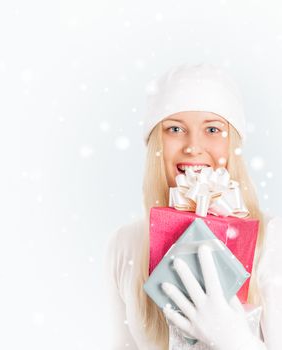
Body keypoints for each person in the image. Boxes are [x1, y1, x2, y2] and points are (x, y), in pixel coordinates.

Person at [104, 63, 282, 349]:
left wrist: (234, 341)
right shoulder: (125, 244)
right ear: (155, 143)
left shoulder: (275, 240)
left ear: (233, 144)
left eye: (213, 129)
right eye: (175, 129)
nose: (193, 147)